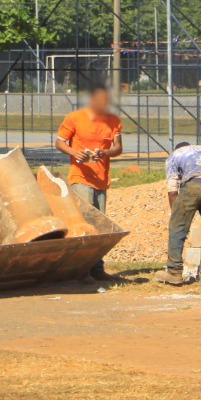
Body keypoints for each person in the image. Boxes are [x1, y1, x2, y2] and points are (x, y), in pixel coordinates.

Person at [55, 84, 123, 281]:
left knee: (99, 225)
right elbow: (60, 142)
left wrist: (106, 152)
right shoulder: (74, 118)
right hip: (81, 177)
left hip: (101, 180)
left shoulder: (113, 121)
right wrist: (74, 152)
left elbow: (118, 148)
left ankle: (97, 269)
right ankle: (81, 270)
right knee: (85, 223)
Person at [162, 140, 201, 286]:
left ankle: (174, 273)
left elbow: (172, 191)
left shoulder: (174, 156)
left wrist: (178, 217)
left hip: (193, 184)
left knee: (177, 228)